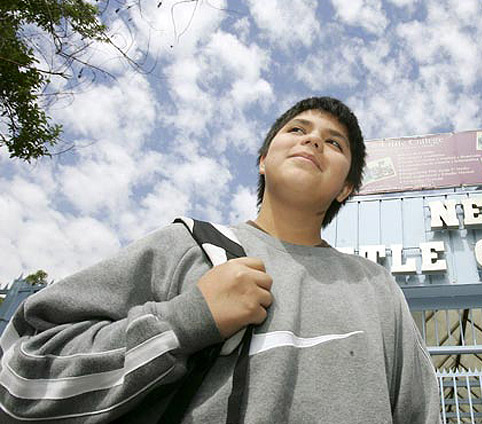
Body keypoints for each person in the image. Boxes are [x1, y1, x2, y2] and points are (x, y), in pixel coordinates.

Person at [0, 97, 440, 423]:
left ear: (346, 189)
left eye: (334, 143)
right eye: (297, 129)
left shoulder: (375, 286)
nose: (313, 140)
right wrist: (184, 320)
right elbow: (18, 378)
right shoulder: (188, 247)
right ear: (263, 160)